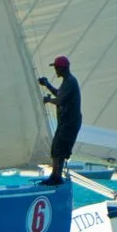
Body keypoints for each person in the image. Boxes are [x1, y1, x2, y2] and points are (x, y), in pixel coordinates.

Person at [38, 56, 82, 185]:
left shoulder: (70, 81)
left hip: (70, 123)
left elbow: (61, 100)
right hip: (66, 122)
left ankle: (56, 176)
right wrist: (47, 85)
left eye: (56, 68)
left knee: (59, 149)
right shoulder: (67, 81)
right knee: (57, 149)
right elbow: (60, 94)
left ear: (63, 68)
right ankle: (55, 175)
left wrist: (48, 100)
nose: (55, 71)